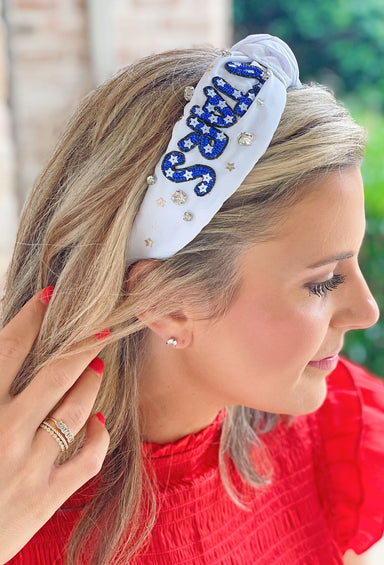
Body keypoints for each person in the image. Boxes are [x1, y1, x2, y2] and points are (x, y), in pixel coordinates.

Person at [0, 33, 383, 565]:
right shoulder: (16, 522)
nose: (368, 311)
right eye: (321, 282)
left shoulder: (335, 425)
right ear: (167, 303)